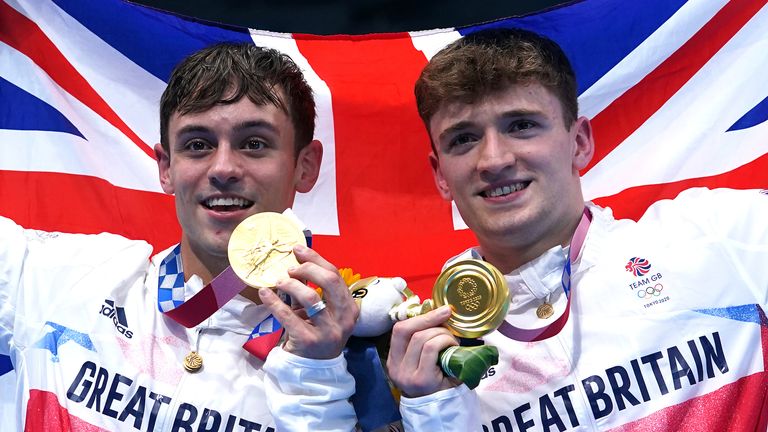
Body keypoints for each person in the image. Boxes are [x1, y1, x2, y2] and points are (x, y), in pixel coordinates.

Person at [386, 28, 768, 431]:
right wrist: (431, 413)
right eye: (464, 139)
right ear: (440, 175)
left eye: (521, 125)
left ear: (580, 141)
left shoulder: (716, 234)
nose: (493, 160)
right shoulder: (431, 363)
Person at [0, 42, 359, 431]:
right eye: (198, 145)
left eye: (254, 143)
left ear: (305, 167)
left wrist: (314, 377)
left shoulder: (337, 364)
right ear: (166, 167)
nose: (223, 168)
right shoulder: (62, 279)